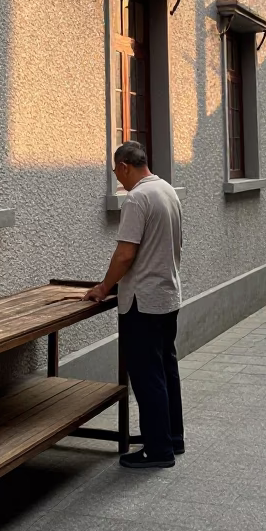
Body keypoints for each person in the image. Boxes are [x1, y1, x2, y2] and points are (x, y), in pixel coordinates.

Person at [84, 141, 184, 469]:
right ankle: (171, 437)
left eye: (116, 172)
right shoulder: (167, 190)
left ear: (125, 166)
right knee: (166, 369)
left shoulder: (138, 198)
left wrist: (103, 286)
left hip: (142, 301)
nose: (118, 179)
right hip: (168, 295)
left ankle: (158, 451)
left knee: (146, 375)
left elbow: (125, 254)